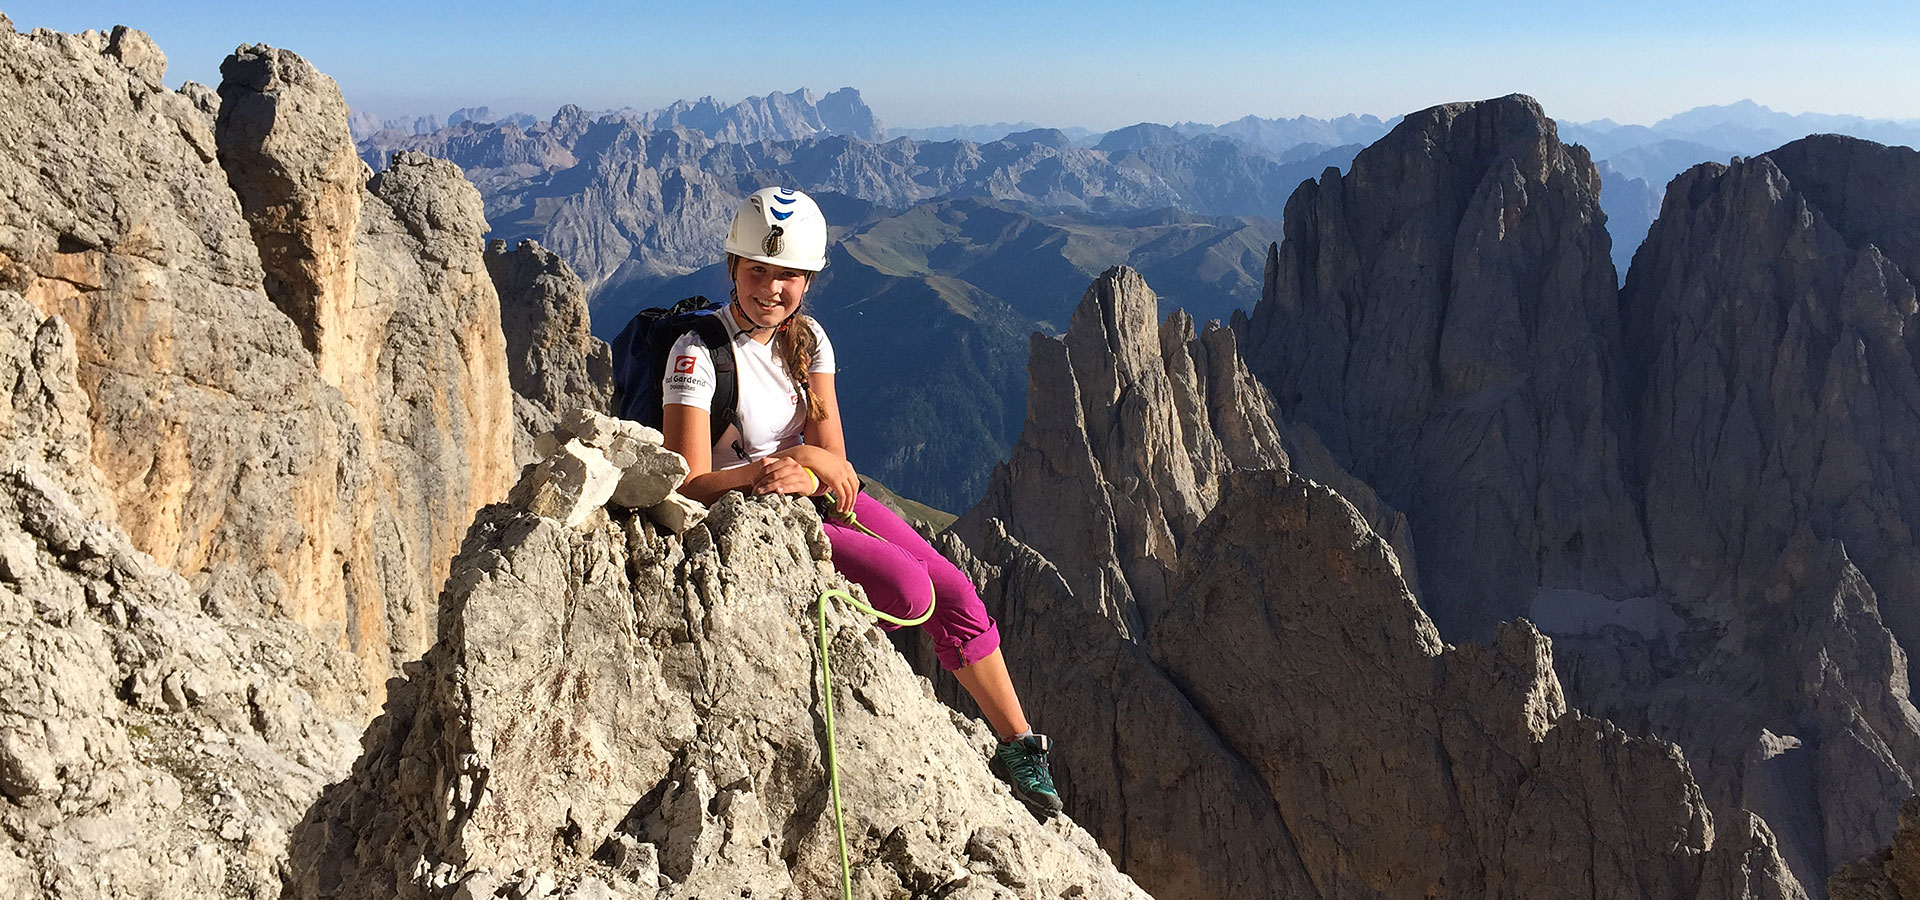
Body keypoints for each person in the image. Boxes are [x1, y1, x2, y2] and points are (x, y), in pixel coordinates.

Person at [660, 186, 1061, 816]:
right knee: (908, 591)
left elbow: (835, 458)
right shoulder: (697, 355)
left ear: (809, 278)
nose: (771, 288)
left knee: (954, 589)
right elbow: (686, 484)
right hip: (754, 514)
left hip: (814, 494)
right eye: (758, 270)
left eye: (788, 274)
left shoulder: (809, 339)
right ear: (733, 267)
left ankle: (1018, 746)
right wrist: (781, 467)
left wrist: (813, 466)